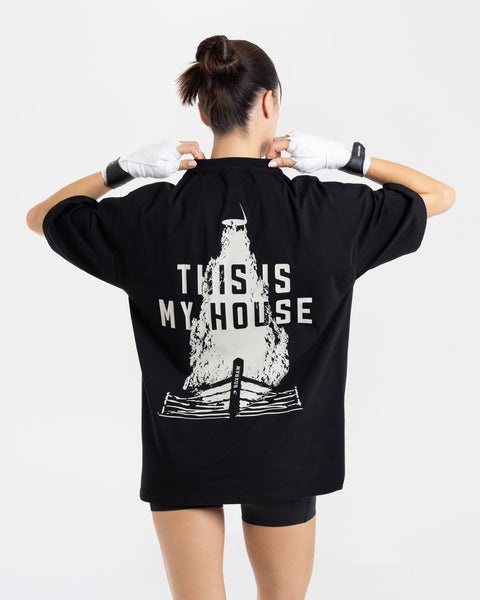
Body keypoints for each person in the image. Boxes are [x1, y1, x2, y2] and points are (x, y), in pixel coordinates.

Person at [26, 34, 454, 600]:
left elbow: (43, 217)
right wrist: (350, 159)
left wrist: (121, 171)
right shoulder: (325, 212)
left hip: (184, 450)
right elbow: (439, 195)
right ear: (270, 102)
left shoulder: (151, 216)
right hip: (289, 452)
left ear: (203, 111)